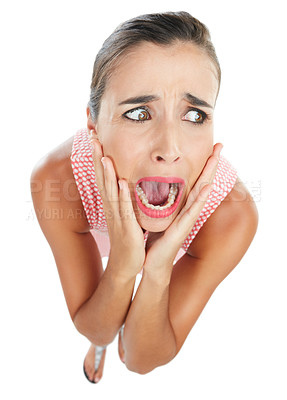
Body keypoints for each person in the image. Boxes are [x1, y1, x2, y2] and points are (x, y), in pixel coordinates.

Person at [31, 11, 258, 384]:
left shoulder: (230, 217)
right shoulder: (58, 181)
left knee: (121, 325)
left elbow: (138, 360)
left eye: (195, 115)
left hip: (183, 237)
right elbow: (96, 328)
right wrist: (121, 265)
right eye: (139, 113)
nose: (169, 149)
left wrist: (156, 270)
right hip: (101, 220)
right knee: (100, 329)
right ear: (93, 124)